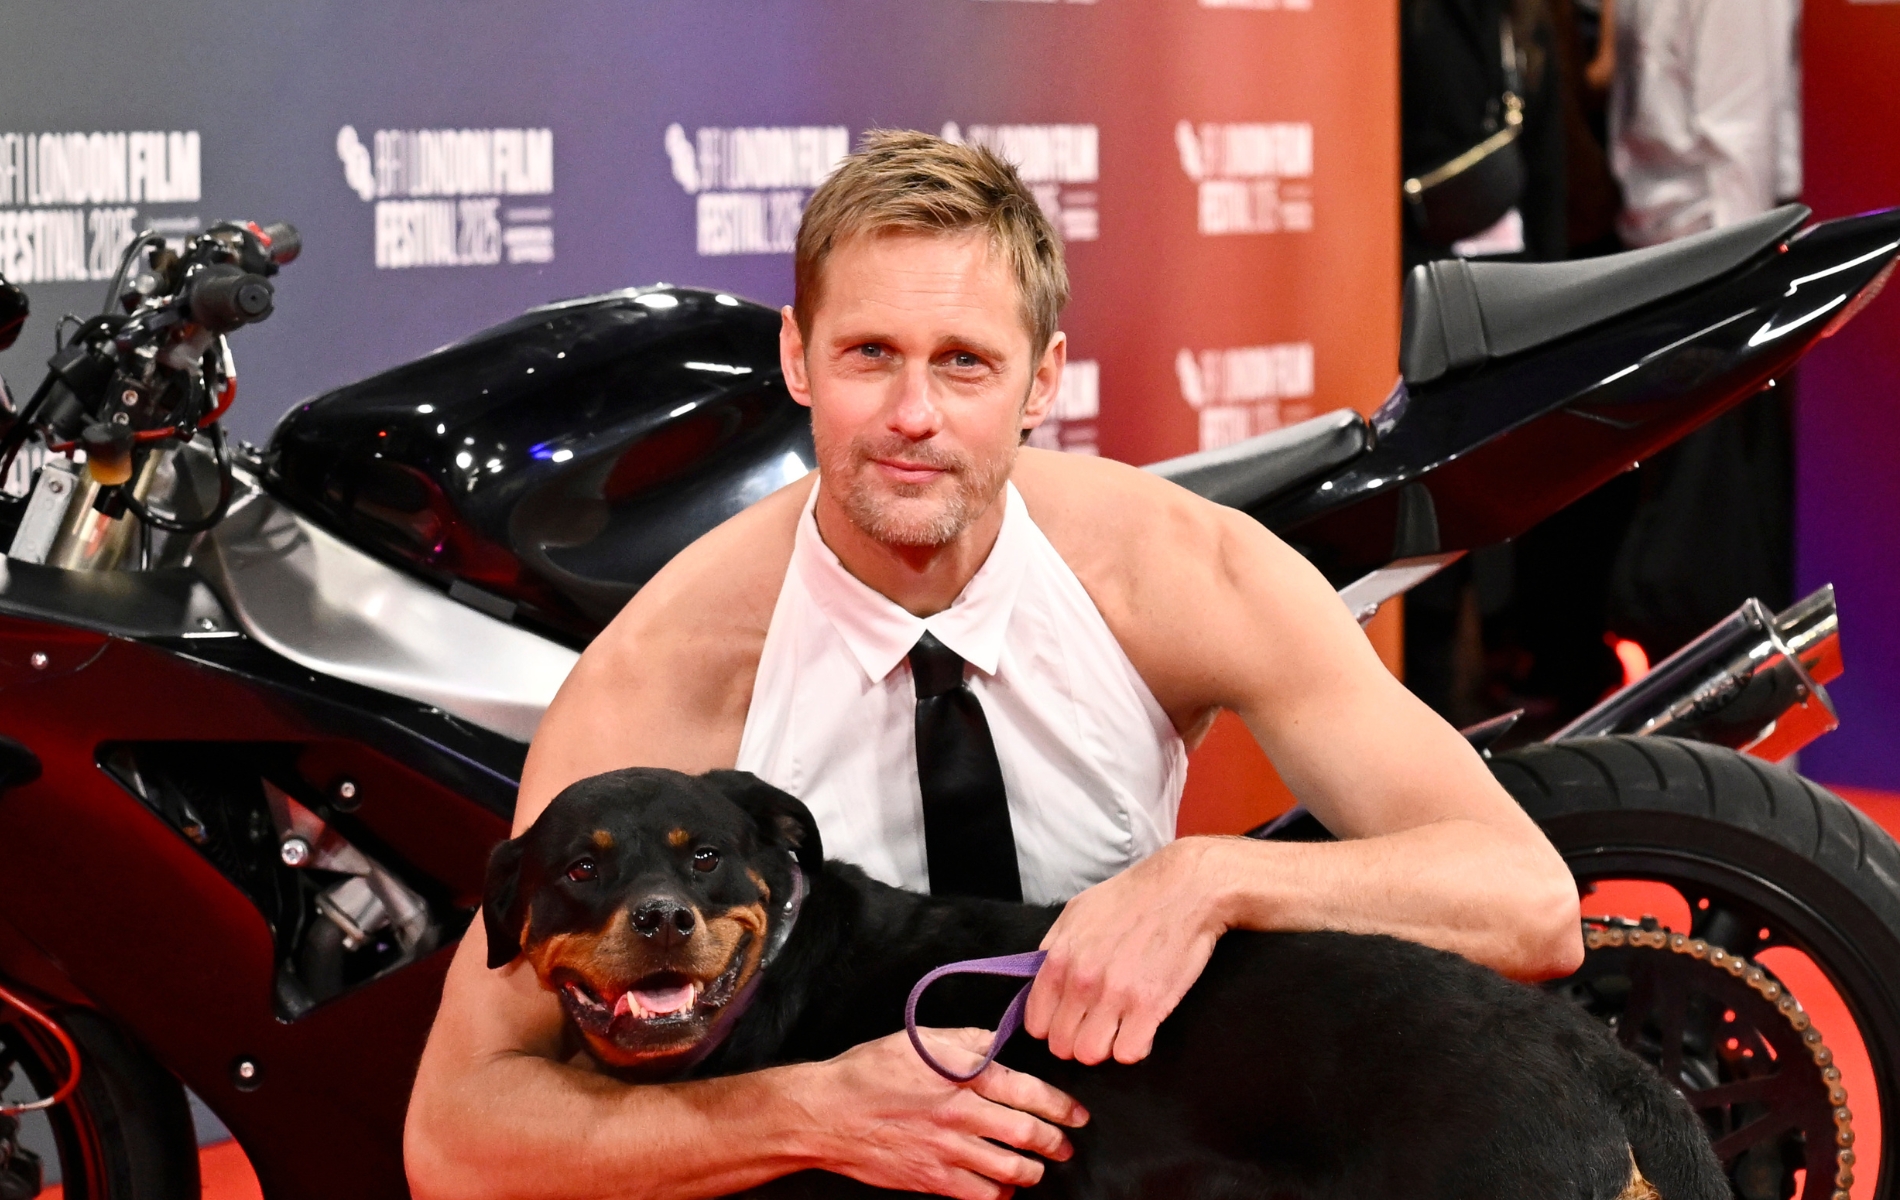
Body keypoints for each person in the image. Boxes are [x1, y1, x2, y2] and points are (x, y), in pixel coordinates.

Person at [404, 131, 1583, 1200]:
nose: (913, 412)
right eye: (869, 353)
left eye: (964, 362)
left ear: (1043, 379)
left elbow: (1524, 905)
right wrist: (807, 1114)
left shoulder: (1176, 573)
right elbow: (457, 1136)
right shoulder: (662, 678)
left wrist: (1213, 880)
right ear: (798, 361)